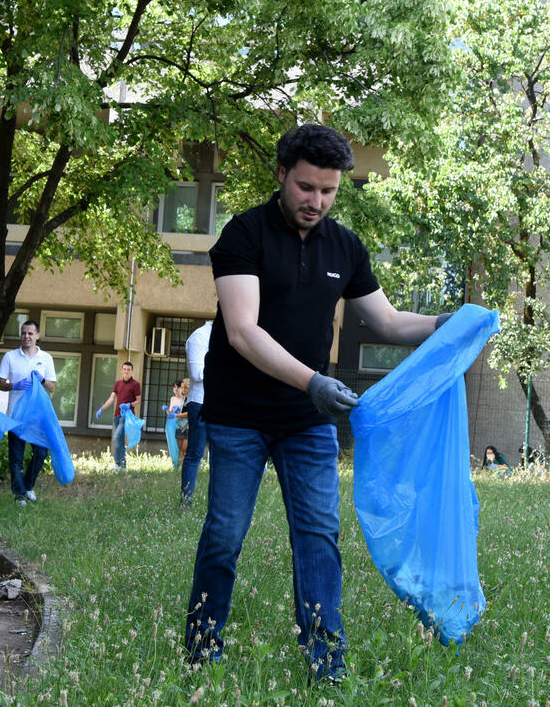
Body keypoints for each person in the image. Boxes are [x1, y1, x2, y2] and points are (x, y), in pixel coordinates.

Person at [183, 125, 453, 682]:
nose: (317, 201)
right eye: (306, 187)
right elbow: (242, 332)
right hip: (239, 415)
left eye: (328, 191)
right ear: (282, 174)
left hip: (307, 420)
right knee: (225, 534)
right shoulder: (244, 234)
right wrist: (313, 381)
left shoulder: (344, 246)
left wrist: (447, 325)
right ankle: (202, 648)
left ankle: (326, 659)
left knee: (319, 535)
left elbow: (386, 322)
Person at [0, 320, 57, 505]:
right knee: (16, 457)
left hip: (37, 416)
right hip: (15, 415)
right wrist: (14, 385)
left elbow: (52, 387)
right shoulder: (10, 357)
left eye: (30, 333)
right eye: (23, 333)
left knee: (41, 452)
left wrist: (42, 380)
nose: (26, 336)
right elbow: (0, 383)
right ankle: (19, 495)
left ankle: (27, 486)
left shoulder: (46, 358)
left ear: (37, 335)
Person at [181, 320, 212, 505]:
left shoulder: (226, 337)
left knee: (221, 456)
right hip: (200, 403)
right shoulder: (200, 337)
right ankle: (185, 501)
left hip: (221, 404)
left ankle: (217, 505)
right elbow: (196, 374)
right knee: (195, 454)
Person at [95, 361, 142, 471]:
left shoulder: (136, 384)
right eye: (124, 369)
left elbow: (138, 400)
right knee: (119, 440)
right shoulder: (118, 384)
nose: (126, 371)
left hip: (127, 416)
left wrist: (129, 405)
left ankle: (117, 464)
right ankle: (122, 466)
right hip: (117, 415)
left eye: (128, 369)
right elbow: (112, 398)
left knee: (116, 438)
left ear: (132, 371)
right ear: (122, 370)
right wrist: (102, 408)